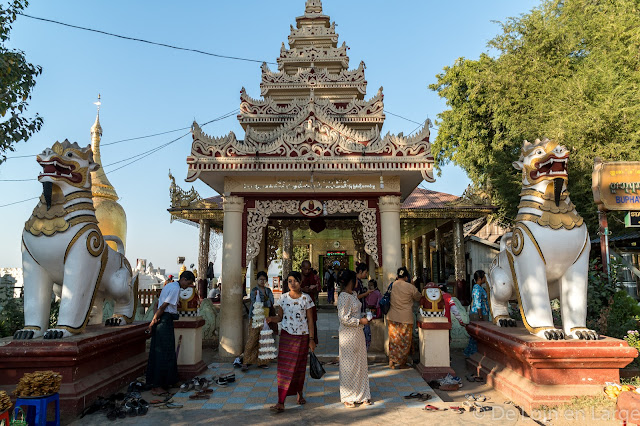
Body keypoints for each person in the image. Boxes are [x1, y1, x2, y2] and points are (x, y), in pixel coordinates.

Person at [267, 271, 315, 413]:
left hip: (302, 337)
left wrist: (311, 340)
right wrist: (270, 319)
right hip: (287, 337)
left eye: (295, 281)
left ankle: (299, 394)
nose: (292, 284)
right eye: (289, 281)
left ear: (300, 282)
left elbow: (311, 321)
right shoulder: (282, 298)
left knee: (299, 367)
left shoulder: (307, 299)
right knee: (284, 369)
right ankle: (281, 401)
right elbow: (280, 317)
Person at [146, 270, 195, 396]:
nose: (187, 287)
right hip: (164, 321)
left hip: (163, 319)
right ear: (183, 279)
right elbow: (163, 307)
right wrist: (152, 322)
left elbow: (157, 304)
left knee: (168, 352)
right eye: (187, 283)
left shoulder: (169, 285)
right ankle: (156, 386)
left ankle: (170, 380)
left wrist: (155, 317)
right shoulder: (175, 289)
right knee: (162, 353)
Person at [337, 269, 372, 408]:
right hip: (348, 334)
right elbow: (343, 318)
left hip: (358, 333)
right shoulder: (343, 297)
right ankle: (348, 395)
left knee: (360, 364)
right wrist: (360, 321)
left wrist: (364, 317)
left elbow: (355, 311)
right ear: (352, 281)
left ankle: (363, 394)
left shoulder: (354, 294)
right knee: (348, 365)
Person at [386, 266, 421, 369]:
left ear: (397, 276)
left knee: (394, 340)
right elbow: (418, 297)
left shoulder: (392, 285)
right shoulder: (410, 287)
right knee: (405, 342)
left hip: (392, 317)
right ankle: (402, 363)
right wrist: (413, 285)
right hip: (406, 318)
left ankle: (392, 361)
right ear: (406, 277)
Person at [242, 271, 275, 371]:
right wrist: (265, 301)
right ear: (257, 280)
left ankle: (262, 362)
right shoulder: (254, 290)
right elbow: (256, 301)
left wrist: (263, 301)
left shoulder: (268, 290)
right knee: (252, 339)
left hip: (266, 318)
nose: (262, 281)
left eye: (264, 279)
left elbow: (271, 302)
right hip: (255, 317)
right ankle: (246, 361)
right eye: (260, 279)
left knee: (264, 340)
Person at [464, 270, 490, 357]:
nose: (485, 279)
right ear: (479, 278)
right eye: (484, 277)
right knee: (477, 335)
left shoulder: (480, 288)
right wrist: (480, 316)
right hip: (478, 314)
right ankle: (472, 353)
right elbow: (478, 302)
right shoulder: (477, 288)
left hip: (482, 312)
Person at [300, 260, 320, 345]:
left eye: (309, 269)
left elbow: (318, 288)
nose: (307, 271)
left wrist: (314, 287)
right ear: (301, 268)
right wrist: (302, 289)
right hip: (300, 303)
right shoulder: (298, 277)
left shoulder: (313, 276)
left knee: (311, 321)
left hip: (310, 302)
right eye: (305, 269)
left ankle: (311, 341)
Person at [354, 263, 373, 349]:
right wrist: (367, 293)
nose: (366, 274)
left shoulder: (359, 281)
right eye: (365, 272)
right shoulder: (356, 282)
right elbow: (356, 296)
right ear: (360, 271)